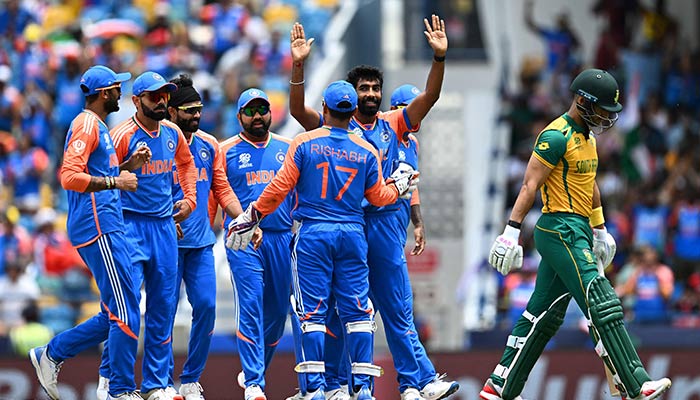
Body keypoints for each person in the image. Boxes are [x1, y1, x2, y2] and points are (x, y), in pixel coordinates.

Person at [289, 17, 458, 400]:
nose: (370, 93)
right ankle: (331, 386)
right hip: (346, 224)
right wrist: (298, 65)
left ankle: (417, 381)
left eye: (375, 88)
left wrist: (439, 58)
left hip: (381, 225)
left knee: (395, 307)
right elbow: (299, 111)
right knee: (336, 312)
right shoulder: (337, 125)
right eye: (363, 88)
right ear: (350, 94)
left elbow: (428, 99)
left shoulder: (393, 124)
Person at [479, 68, 671, 400]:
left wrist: (599, 229)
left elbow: (590, 186)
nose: (606, 118)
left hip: (579, 228)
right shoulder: (555, 136)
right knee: (601, 300)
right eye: (602, 110)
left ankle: (500, 386)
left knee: (545, 314)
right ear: (582, 101)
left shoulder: (589, 138)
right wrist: (510, 230)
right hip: (559, 228)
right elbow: (530, 184)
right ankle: (635, 383)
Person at [227, 80, 417, 400]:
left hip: (313, 234)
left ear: (325, 110)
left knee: (312, 313)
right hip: (354, 234)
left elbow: (279, 188)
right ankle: (363, 388)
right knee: (358, 311)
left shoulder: (303, 143)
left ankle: (315, 388)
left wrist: (253, 214)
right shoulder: (367, 150)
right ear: (353, 111)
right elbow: (379, 197)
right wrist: (399, 187)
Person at [29, 65, 145, 400]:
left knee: (115, 311)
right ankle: (120, 390)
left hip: (105, 223)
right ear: (105, 92)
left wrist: (126, 169)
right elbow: (69, 176)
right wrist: (116, 181)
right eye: (117, 88)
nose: (121, 92)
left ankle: (51, 353)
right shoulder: (86, 124)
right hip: (97, 226)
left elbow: (98, 174)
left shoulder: (98, 126)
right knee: (125, 311)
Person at [108, 70, 198, 400]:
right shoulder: (120, 135)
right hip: (129, 225)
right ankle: (118, 387)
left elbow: (187, 165)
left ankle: (156, 384)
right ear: (136, 101)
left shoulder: (173, 132)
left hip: (163, 227)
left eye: (165, 96)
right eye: (154, 97)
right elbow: (102, 181)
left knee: (163, 309)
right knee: (127, 309)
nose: (162, 102)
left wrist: (189, 199)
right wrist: (129, 165)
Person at [166, 74, 244, 400]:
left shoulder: (210, 145)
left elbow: (222, 186)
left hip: (200, 245)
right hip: (166, 244)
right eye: (188, 110)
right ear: (171, 111)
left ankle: (190, 379)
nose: (196, 116)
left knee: (207, 307)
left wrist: (242, 220)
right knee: (163, 314)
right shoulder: (160, 144)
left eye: (198, 109)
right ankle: (160, 382)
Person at [219, 88, 295, 400]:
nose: (258, 116)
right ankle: (254, 384)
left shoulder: (289, 148)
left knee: (278, 315)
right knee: (250, 305)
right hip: (242, 238)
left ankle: (255, 368)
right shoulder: (225, 150)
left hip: (282, 236)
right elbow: (217, 192)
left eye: (262, 109)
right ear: (239, 117)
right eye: (250, 111)